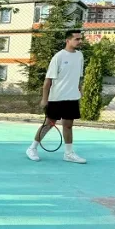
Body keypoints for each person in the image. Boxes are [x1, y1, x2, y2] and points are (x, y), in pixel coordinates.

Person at [26, 30, 86, 164]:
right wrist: (44, 99)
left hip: (72, 98)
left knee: (68, 125)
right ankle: (32, 148)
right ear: (68, 40)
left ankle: (69, 153)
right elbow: (48, 81)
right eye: (77, 39)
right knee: (48, 124)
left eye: (80, 39)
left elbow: (78, 77)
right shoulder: (58, 57)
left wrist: (79, 91)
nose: (80, 41)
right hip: (56, 98)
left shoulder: (80, 56)